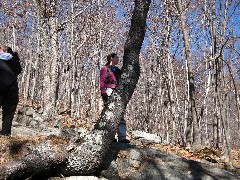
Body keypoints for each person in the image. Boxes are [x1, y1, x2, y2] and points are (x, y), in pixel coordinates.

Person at [100, 53, 130, 143]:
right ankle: (110, 136)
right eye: (117, 57)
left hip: (118, 92)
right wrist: (103, 93)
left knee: (120, 114)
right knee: (109, 114)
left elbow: (123, 79)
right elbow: (102, 81)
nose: (118, 59)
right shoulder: (105, 68)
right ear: (111, 58)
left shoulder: (117, 69)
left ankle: (122, 137)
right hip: (109, 90)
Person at [0, 45, 22, 135]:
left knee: (8, 116)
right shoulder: (14, 61)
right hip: (12, 91)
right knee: (8, 116)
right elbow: (19, 70)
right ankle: (5, 136)